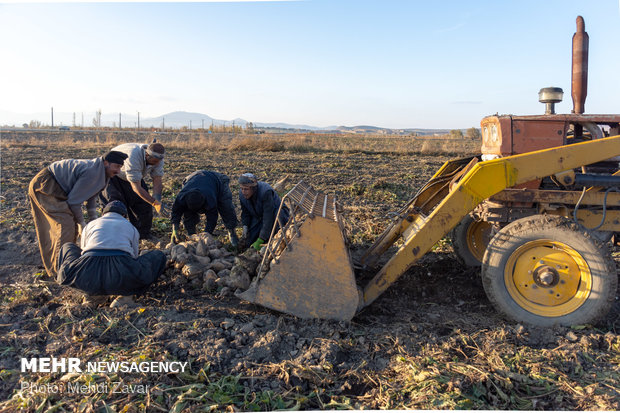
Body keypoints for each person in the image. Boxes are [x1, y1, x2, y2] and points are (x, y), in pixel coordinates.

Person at [28, 151, 128, 277]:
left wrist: (93, 221)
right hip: (46, 185)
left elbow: (91, 198)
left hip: (59, 188)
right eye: (117, 167)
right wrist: (81, 223)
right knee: (65, 226)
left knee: (71, 226)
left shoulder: (103, 174)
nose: (119, 171)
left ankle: (66, 263)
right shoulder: (92, 173)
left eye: (120, 167)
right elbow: (74, 203)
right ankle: (59, 271)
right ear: (106, 162)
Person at [56, 201, 166, 299]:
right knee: (159, 256)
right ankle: (129, 295)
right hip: (120, 276)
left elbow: (82, 251)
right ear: (124, 215)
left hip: (87, 276)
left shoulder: (90, 225)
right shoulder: (130, 227)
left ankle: (91, 294)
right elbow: (134, 256)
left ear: (103, 214)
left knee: (68, 247)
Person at [102, 142, 167, 240]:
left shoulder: (159, 159)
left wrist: (157, 198)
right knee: (115, 206)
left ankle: (143, 235)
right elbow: (136, 188)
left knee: (144, 206)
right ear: (147, 155)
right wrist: (155, 203)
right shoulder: (133, 156)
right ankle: (115, 236)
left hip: (132, 177)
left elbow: (157, 179)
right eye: (155, 161)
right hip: (112, 175)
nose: (157, 163)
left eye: (159, 161)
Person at [170, 170, 239, 247]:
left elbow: (212, 219)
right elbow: (175, 213)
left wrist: (206, 235)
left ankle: (232, 232)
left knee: (226, 208)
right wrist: (175, 230)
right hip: (192, 178)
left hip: (217, 180)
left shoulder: (210, 198)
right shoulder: (181, 197)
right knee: (188, 214)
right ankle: (191, 235)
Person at [238, 173, 290, 251]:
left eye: (246, 189)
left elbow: (268, 217)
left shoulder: (266, 192)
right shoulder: (242, 195)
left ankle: (274, 243)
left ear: (253, 188)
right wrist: (245, 226)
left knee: (273, 232)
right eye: (242, 188)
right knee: (249, 242)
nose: (243, 192)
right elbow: (245, 213)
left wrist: (261, 239)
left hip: (275, 213)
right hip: (258, 216)